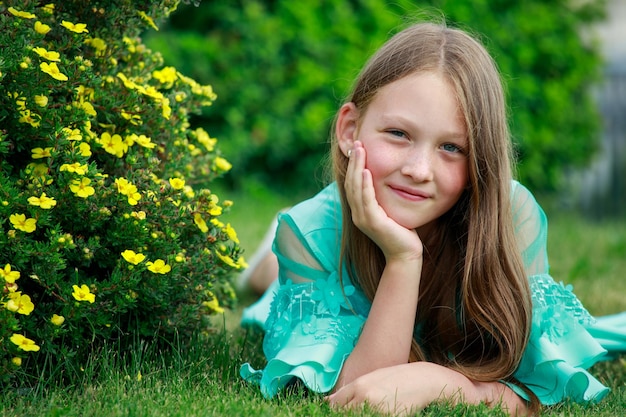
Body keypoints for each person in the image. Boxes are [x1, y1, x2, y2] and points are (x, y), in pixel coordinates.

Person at [239, 21, 626, 416]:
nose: (419, 169)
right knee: (273, 277)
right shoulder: (308, 234)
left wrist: (443, 382)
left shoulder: (511, 216)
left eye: (452, 147)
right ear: (350, 129)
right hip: (327, 239)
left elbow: (540, 390)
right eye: (398, 134)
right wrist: (403, 258)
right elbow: (358, 398)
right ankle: (266, 258)